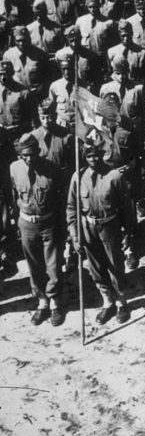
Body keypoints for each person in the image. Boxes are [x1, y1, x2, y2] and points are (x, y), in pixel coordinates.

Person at [66, 137, 136, 325]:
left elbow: (126, 208)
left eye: (96, 155)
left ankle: (122, 302)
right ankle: (108, 302)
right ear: (84, 157)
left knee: (115, 266)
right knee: (96, 267)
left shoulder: (115, 177)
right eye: (89, 156)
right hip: (88, 229)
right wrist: (74, 236)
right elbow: (72, 208)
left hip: (110, 227)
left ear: (102, 155)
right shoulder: (78, 177)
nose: (93, 159)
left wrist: (128, 233)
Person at [9, 134, 65, 326]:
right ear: (20, 155)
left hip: (49, 223)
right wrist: (19, 222)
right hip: (27, 224)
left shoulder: (51, 169)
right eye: (25, 155)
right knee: (34, 266)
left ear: (38, 152)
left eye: (33, 154)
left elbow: (60, 199)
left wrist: (61, 226)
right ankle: (42, 302)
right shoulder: (14, 169)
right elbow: (14, 196)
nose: (29, 158)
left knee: (53, 266)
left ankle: (56, 303)